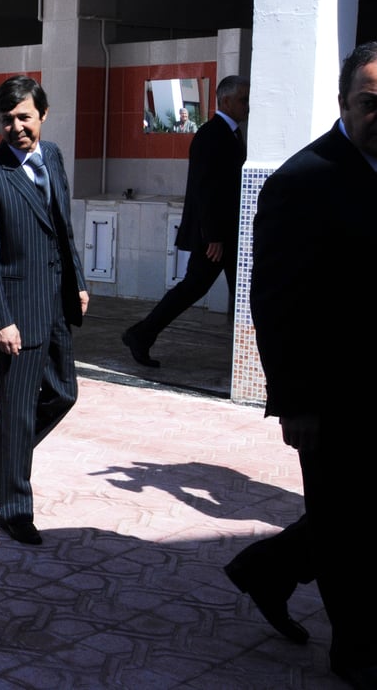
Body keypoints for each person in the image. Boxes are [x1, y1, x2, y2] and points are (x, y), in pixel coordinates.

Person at [240, 41, 377, 688]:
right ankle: (354, 650)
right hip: (330, 393)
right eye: (368, 103)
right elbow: (273, 301)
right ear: (341, 103)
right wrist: (293, 402)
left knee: (352, 513)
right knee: (348, 528)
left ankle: (266, 568)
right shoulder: (302, 180)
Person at [0, 75, 89, 546]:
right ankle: (14, 508)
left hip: (54, 300)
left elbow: (62, 225)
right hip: (16, 311)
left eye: (24, 117)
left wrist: (77, 280)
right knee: (16, 410)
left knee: (63, 393)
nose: (16, 127)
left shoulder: (51, 156)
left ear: (43, 115)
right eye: (7, 119)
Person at [122, 76, 249, 368]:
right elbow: (205, 189)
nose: (247, 106)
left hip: (228, 233)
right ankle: (141, 334)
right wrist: (214, 236)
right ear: (226, 101)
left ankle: (142, 334)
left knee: (228, 291)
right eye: (243, 99)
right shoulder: (211, 134)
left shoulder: (231, 134)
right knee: (195, 288)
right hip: (216, 237)